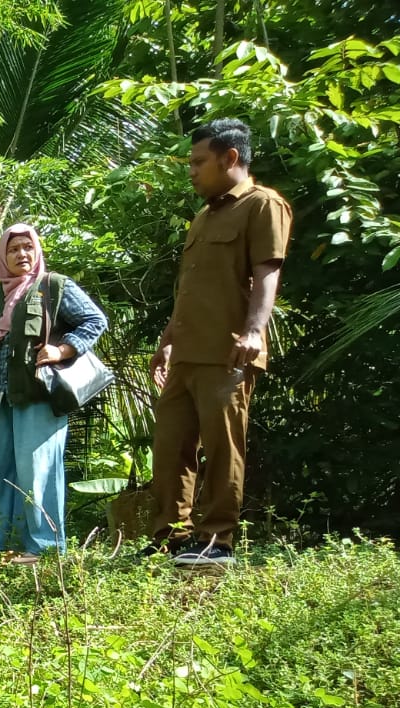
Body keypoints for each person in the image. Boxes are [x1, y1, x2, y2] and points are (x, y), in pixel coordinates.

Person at [147, 117, 292, 567]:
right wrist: (168, 340)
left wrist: (254, 331)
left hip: (227, 352)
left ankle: (215, 541)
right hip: (187, 353)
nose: (191, 170)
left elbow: (268, 272)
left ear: (230, 158)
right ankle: (169, 537)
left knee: (223, 445)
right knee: (170, 448)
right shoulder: (203, 217)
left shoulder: (263, 205)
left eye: (198, 161)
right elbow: (188, 289)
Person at [0, 224, 108, 564]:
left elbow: (94, 320)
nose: (21, 254)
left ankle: (44, 547)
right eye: (13, 249)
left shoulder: (54, 286)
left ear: (36, 251)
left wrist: (63, 349)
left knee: (37, 471)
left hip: (37, 395)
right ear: (2, 255)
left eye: (27, 247)